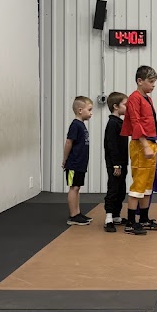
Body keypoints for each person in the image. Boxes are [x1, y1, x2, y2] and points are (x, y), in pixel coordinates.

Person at [121, 66, 157, 236]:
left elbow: (153, 123)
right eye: (151, 81)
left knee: (148, 184)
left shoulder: (147, 99)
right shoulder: (134, 98)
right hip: (141, 145)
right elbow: (136, 122)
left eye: (154, 82)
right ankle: (130, 222)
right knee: (139, 183)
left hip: (151, 143)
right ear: (140, 81)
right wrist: (145, 145)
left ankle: (144, 219)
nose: (153, 85)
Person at [61, 96, 93, 226]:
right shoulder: (75, 125)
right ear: (80, 110)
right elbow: (69, 142)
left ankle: (77, 213)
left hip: (80, 163)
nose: (91, 113)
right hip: (73, 164)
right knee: (73, 187)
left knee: (77, 187)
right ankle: (73, 216)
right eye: (89, 110)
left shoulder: (81, 125)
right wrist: (65, 159)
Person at [103, 92, 129, 233]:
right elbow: (111, 145)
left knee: (121, 189)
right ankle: (108, 218)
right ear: (116, 106)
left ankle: (116, 215)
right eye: (125, 104)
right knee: (113, 188)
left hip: (122, 162)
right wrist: (116, 164)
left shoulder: (120, 122)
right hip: (115, 163)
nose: (128, 107)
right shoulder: (112, 124)